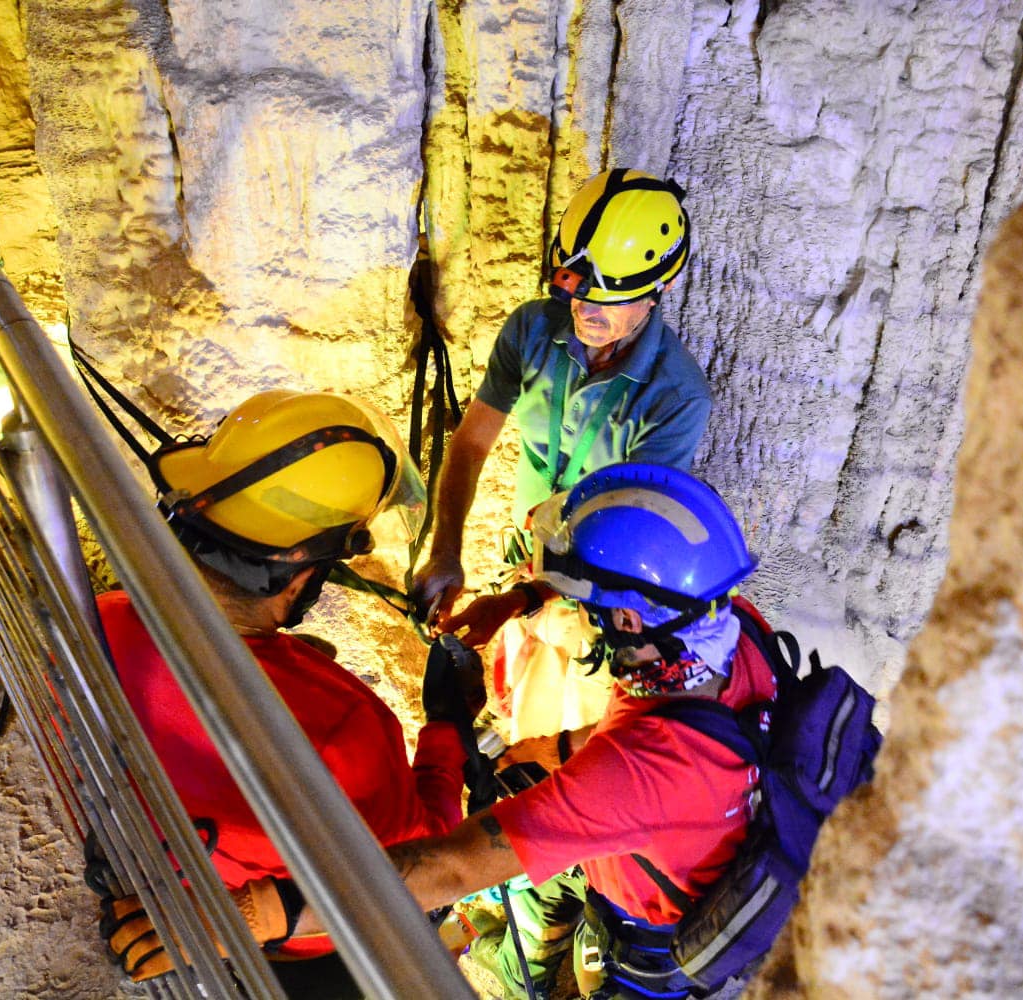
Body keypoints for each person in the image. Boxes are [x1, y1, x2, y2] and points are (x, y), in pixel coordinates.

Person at [273, 462, 779, 998]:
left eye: (590, 608)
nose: (586, 614)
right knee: (557, 882)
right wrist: (521, 605)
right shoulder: (729, 627)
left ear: (629, 620)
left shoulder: (631, 775)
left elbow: (452, 868)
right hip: (693, 848)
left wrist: (279, 908)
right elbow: (668, 735)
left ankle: (517, 977)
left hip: (658, 935)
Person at [94, 390, 471, 995]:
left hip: (161, 881)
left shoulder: (101, 622)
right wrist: (448, 729)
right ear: (301, 576)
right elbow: (422, 861)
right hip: (297, 950)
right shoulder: (345, 724)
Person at [409, 167, 714, 743]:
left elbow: (624, 541)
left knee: (571, 739)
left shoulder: (675, 396)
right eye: (575, 295)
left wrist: (522, 599)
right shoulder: (531, 329)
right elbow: (472, 443)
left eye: (608, 302)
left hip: (601, 598)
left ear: (659, 291)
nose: (584, 312)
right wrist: (447, 550)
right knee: (518, 707)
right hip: (526, 563)